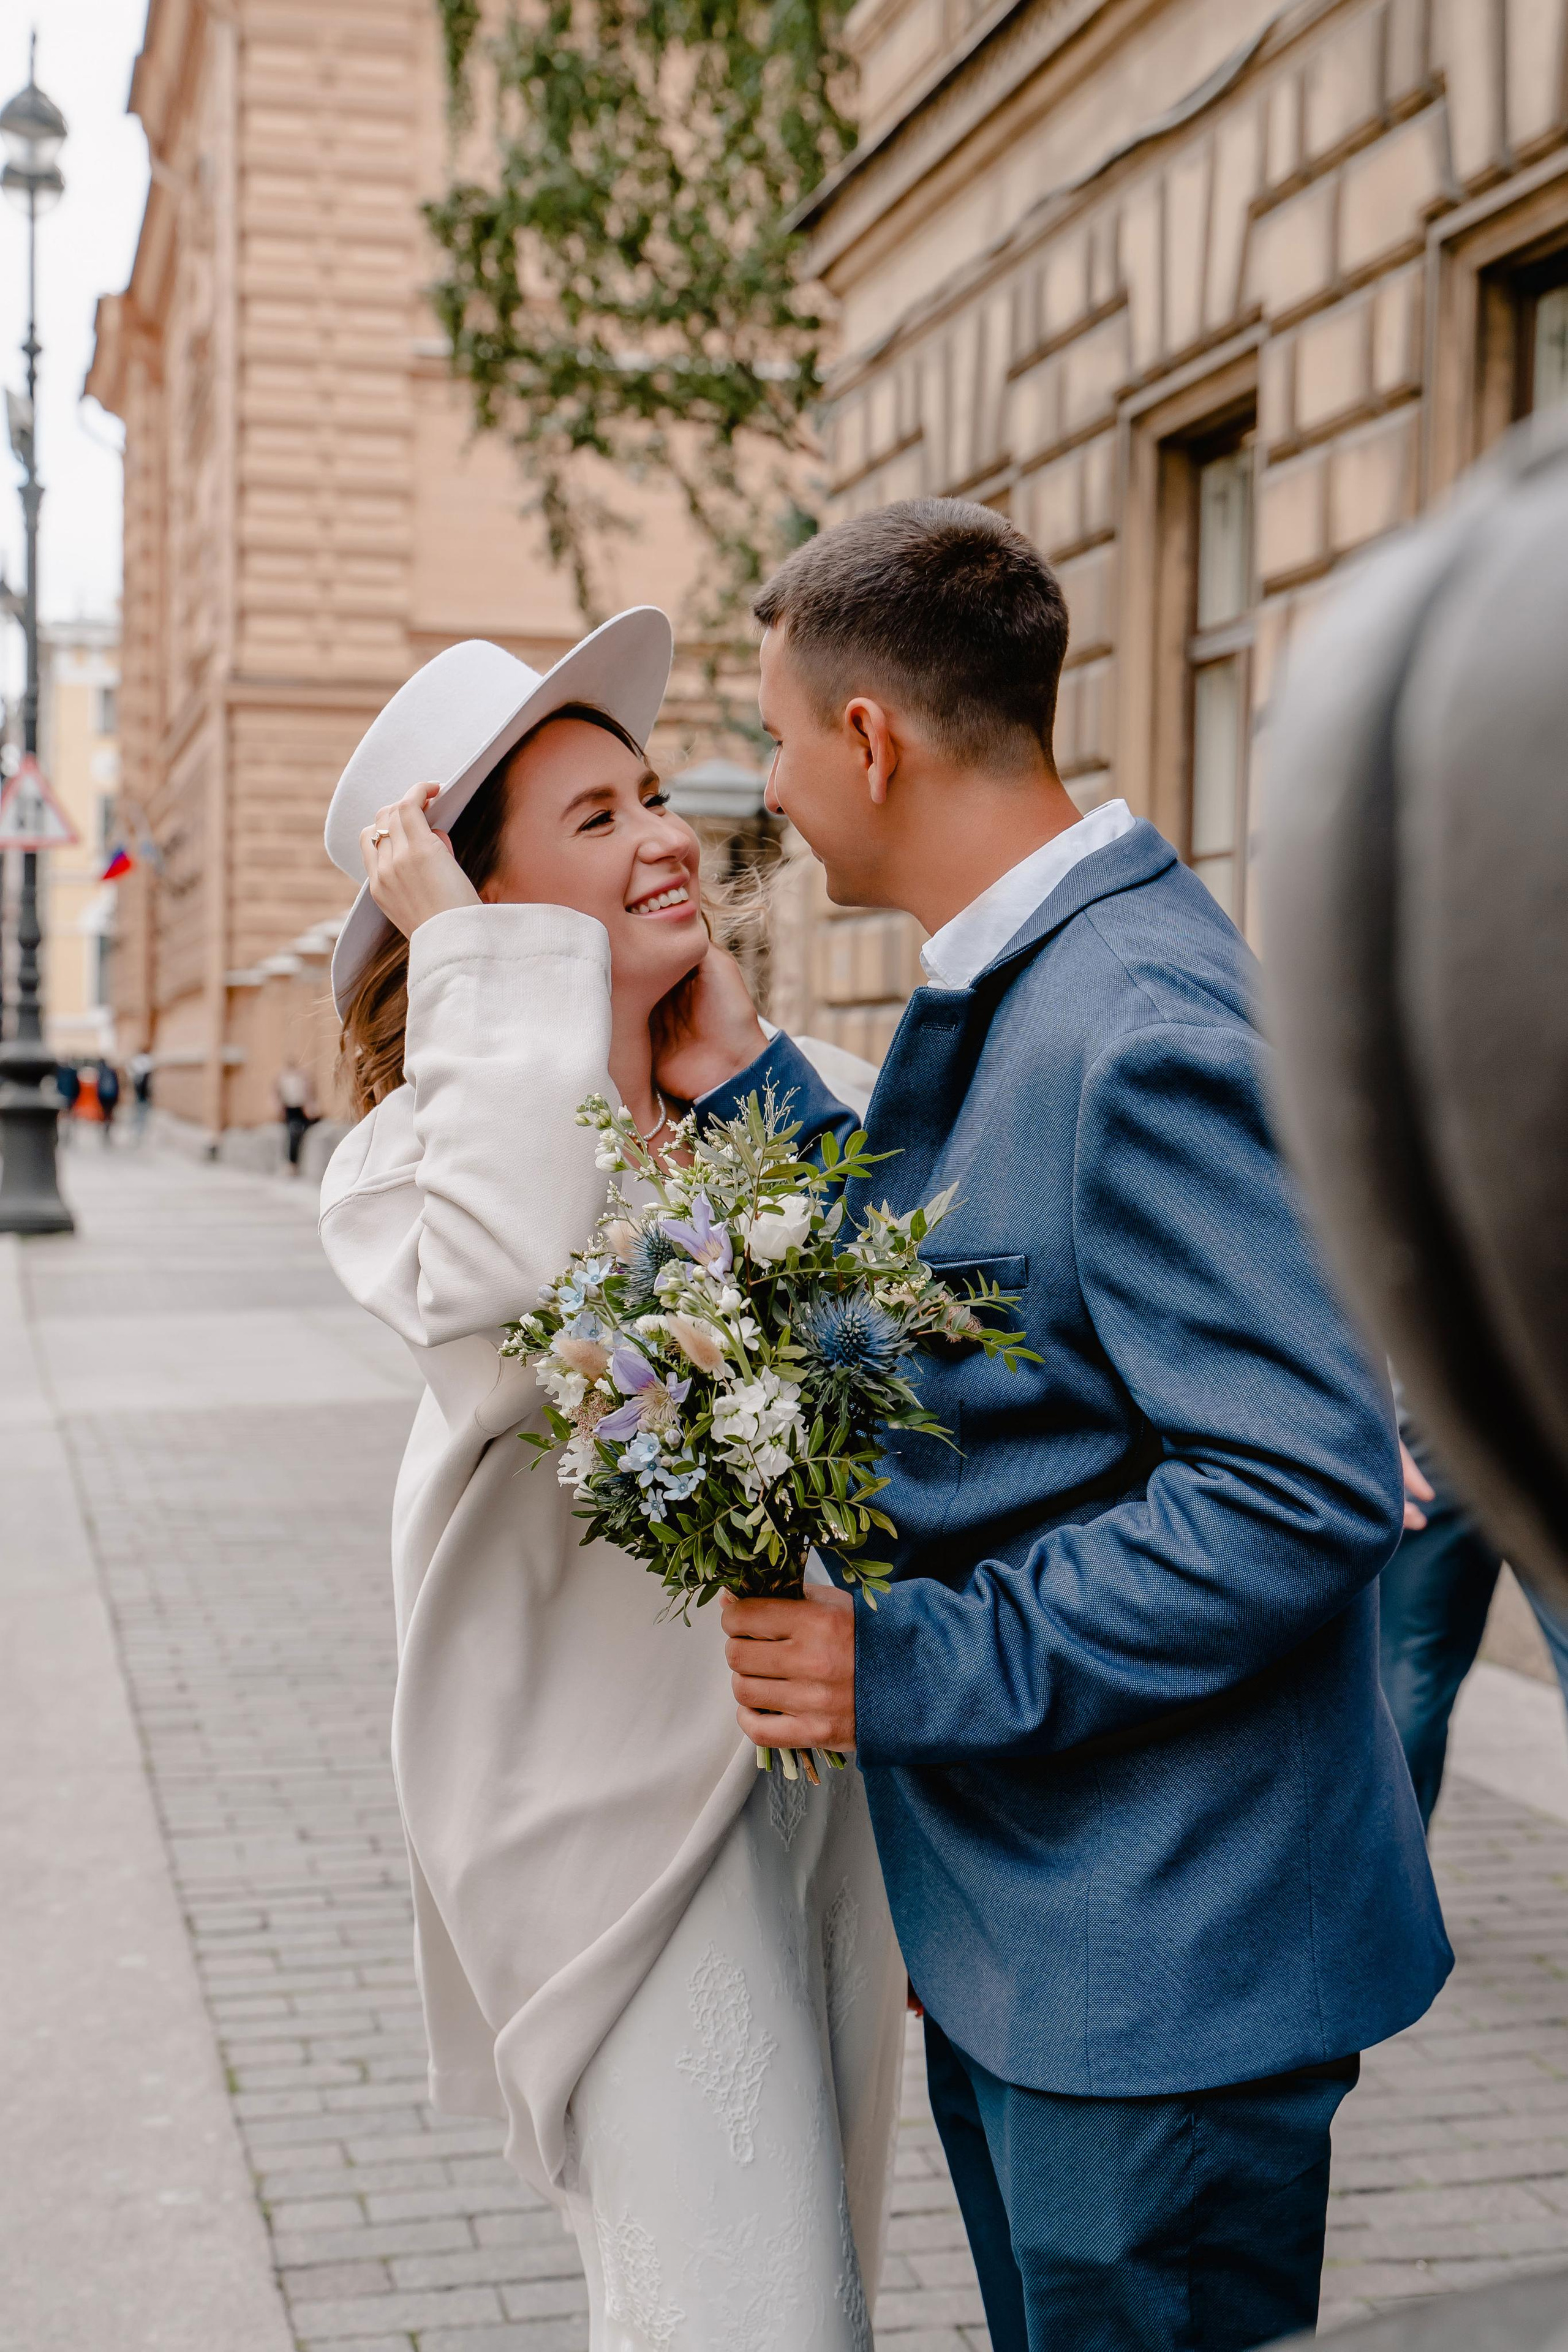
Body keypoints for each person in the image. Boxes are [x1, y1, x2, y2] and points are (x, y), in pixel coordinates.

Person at [655, 500, 1453, 2352]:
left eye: (776, 738)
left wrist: (904, 1663)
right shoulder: (1040, 965)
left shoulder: (1138, 1011)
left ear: (869, 740)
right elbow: (1008, 1282)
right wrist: (752, 1075)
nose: (768, 787)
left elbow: (1295, 1488)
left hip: (1164, 1973)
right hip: (1053, 1938)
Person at [315, 619, 905, 2351]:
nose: (668, 836)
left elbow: (929, 1347)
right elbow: (511, 1282)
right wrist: (468, 963)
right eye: (592, 819)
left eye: (651, 794)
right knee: (749, 2308)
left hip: (830, 1779)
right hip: (608, 1824)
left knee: (813, 2276)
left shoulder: (800, 1096)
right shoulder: (408, 1170)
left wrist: (743, 1085)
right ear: (480, 910)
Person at [1382, 1419, 1568, 1828]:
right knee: (1399, 1697)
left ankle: (1380, 1880)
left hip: (1437, 1414)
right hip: (1434, 1422)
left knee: (1405, 1679)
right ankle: (1385, 1880)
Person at [274, 1060, 316, 1175]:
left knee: (300, 1135)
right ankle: (291, 1163)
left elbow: (307, 1094)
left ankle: (295, 1163)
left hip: (300, 1108)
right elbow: (279, 1094)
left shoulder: (302, 1078)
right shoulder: (283, 1079)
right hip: (290, 1109)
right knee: (292, 1135)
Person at [94, 1057, 121, 1147]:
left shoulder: (104, 1073)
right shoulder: (110, 1073)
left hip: (107, 1097)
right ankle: (106, 1129)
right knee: (107, 1114)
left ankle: (106, 1129)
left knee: (107, 1114)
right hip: (108, 1097)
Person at [129, 1050, 154, 1144]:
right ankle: (138, 1133)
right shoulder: (146, 1073)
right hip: (143, 1099)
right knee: (141, 1116)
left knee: (139, 1115)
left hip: (140, 1098)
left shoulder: (138, 1073)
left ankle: (137, 1133)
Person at [55, 1060, 80, 1137]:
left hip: (63, 1096)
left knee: (63, 1116)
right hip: (68, 1096)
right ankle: (65, 1133)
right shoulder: (70, 1071)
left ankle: (63, 1133)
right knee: (66, 1116)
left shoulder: (60, 1071)